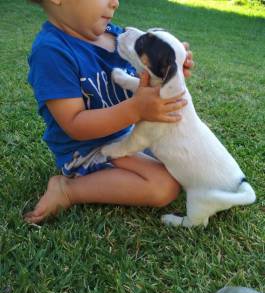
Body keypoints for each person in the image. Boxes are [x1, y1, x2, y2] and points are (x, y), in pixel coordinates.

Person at [24, 0, 194, 224]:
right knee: (163, 186)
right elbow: (75, 125)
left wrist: (166, 65)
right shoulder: (52, 52)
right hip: (89, 149)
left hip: (128, 135)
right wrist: (135, 109)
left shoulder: (117, 37)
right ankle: (69, 189)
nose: (115, 2)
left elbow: (146, 80)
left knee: (186, 157)